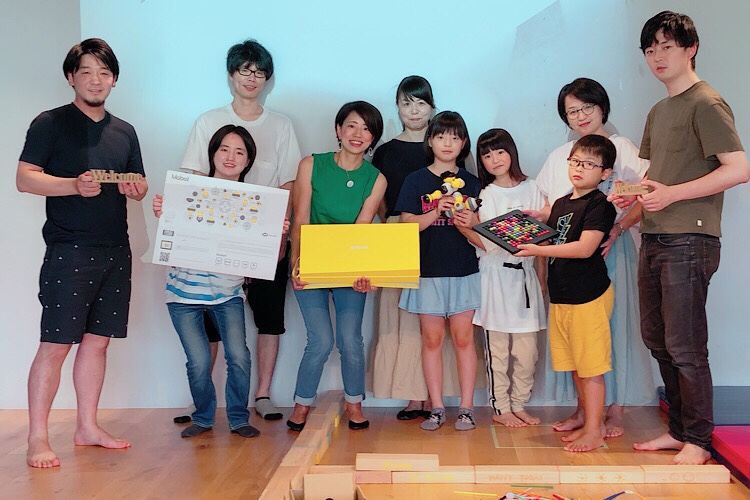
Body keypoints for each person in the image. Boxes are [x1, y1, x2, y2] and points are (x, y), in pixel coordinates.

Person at [616, 11, 748, 465]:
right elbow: (657, 178)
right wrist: (628, 202)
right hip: (655, 236)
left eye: (667, 46)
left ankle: (699, 441)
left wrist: (672, 194)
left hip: (690, 240)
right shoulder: (659, 110)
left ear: (690, 49)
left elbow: (739, 168)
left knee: (686, 345)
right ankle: (679, 431)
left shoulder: (706, 102)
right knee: (657, 339)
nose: (657, 56)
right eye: (650, 49)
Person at [16, 38, 148, 468]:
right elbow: (25, 178)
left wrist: (137, 188)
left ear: (114, 80)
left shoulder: (125, 131)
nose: (96, 80)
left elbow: (138, 181)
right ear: (71, 77)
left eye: (104, 73)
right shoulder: (50, 123)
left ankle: (87, 426)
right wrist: (72, 184)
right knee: (55, 344)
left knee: (97, 343)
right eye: (87, 72)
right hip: (69, 248)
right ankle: (37, 437)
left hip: (116, 249)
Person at [178, 39, 301, 421]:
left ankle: (262, 395)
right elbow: (193, 178)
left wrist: (280, 239)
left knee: (269, 319)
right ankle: (204, 400)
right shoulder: (208, 121)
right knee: (211, 322)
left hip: (265, 241)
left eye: (260, 72)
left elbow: (289, 183)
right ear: (231, 75)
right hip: (213, 243)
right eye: (245, 70)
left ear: (268, 80)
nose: (252, 78)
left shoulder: (280, 125)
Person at [535, 77, 654, 438]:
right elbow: (551, 208)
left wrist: (618, 228)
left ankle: (614, 411)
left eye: (587, 107)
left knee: (612, 331)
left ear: (602, 107)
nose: (581, 115)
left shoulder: (623, 148)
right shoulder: (559, 156)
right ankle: (584, 411)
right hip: (565, 259)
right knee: (577, 339)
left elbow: (647, 195)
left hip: (608, 250)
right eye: (572, 111)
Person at [153, 125, 280, 439]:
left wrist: (274, 232)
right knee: (198, 362)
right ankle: (203, 417)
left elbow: (266, 257)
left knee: (239, 357)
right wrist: (164, 214)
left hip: (228, 293)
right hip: (182, 294)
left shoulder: (258, 202)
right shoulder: (188, 191)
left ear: (248, 160)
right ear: (212, 153)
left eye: (239, 152)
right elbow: (171, 237)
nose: (230, 157)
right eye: (224, 149)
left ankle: (238, 418)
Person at [287, 101, 386, 431]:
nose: (358, 134)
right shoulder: (310, 165)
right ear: (338, 130)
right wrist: (297, 264)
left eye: (367, 129)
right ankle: (302, 403)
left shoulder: (376, 179)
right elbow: (300, 218)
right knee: (320, 341)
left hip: (348, 267)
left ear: (373, 138)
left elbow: (361, 229)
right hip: (310, 263)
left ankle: (354, 403)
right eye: (352, 125)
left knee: (350, 341)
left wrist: (362, 272)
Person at [371, 76, 463, 420]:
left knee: (439, 317)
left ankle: (435, 396)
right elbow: (380, 201)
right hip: (401, 231)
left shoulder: (445, 146)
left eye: (421, 103)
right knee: (403, 315)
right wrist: (394, 228)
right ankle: (413, 395)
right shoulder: (385, 151)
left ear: (431, 107)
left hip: (444, 232)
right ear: (397, 107)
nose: (414, 110)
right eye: (406, 103)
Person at [517, 134, 616, 452]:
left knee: (591, 367)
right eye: (575, 161)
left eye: (589, 164)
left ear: (605, 173)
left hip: (588, 295)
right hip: (563, 295)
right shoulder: (560, 202)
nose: (579, 168)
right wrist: (537, 224)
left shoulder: (600, 204)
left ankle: (595, 430)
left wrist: (537, 249)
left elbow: (585, 248)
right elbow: (555, 237)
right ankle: (584, 416)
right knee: (576, 364)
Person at [396, 111, 481, 432]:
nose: (448, 143)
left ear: (463, 143)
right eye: (441, 136)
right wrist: (435, 211)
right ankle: (436, 407)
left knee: (463, 340)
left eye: (455, 137)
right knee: (431, 340)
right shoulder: (415, 180)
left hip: (464, 270)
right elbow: (406, 225)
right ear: (430, 141)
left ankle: (467, 408)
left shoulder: (472, 181)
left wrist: (468, 221)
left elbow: (481, 229)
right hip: (427, 272)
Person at [457, 129, 546, 427]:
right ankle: (501, 408)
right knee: (497, 351)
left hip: (525, 278)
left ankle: (519, 403)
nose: (495, 159)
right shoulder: (487, 194)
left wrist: (541, 278)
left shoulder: (533, 188)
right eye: (487, 155)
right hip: (494, 277)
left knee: (527, 352)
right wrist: (469, 228)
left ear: (511, 153)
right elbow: (490, 244)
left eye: (500, 152)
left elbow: (542, 238)